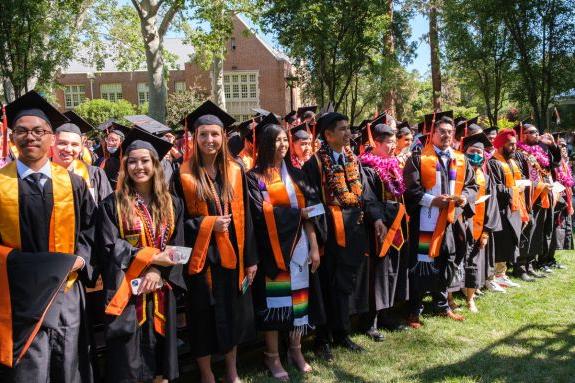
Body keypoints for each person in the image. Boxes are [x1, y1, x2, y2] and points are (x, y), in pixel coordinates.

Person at [0, 90, 96, 383]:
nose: (31, 137)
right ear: (12, 137)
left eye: (39, 131)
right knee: (30, 366)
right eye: (22, 131)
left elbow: (91, 230)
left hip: (65, 291)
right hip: (18, 295)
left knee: (67, 360)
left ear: (51, 138)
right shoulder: (1, 185)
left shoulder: (74, 183)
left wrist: (82, 258)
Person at [172, 100, 258, 383]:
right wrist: (206, 224)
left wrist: (251, 259)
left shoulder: (235, 171)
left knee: (231, 315)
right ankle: (207, 374)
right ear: (194, 138)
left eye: (215, 134)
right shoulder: (181, 174)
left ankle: (232, 371)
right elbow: (176, 224)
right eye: (203, 134)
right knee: (202, 320)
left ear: (223, 137)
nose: (210, 140)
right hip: (200, 262)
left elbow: (248, 215)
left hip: (232, 258)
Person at [97, 128, 185, 383]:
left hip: (160, 289)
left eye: (145, 160)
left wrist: (158, 271)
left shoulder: (172, 203)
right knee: (128, 360)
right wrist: (150, 258)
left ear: (155, 164)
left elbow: (178, 246)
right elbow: (109, 246)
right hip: (126, 292)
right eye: (132, 161)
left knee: (161, 354)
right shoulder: (112, 204)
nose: (138, 167)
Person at [247, 120, 323, 380]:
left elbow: (310, 216)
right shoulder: (255, 178)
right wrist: (297, 214)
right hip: (273, 250)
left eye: (284, 139)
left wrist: (314, 246)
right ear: (265, 144)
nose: (281, 144)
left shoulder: (298, 175)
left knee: (300, 302)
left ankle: (295, 349)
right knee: (274, 304)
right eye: (276, 140)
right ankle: (272, 356)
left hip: (301, 247)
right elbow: (260, 214)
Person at [302, 111, 377, 360]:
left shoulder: (352, 160)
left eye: (348, 128)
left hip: (352, 231)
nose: (348, 133)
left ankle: (342, 333)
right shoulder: (314, 164)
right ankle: (322, 339)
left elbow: (363, 194)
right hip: (329, 235)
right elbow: (311, 201)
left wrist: (375, 218)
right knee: (326, 285)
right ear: (328, 134)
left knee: (344, 285)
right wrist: (320, 236)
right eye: (342, 129)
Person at [403, 112, 477, 328]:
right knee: (421, 265)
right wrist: (432, 201)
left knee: (447, 260)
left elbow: (472, 187)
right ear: (432, 134)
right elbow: (410, 190)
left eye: (449, 132)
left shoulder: (461, 159)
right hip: (427, 220)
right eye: (442, 131)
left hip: (452, 220)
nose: (446, 135)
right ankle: (414, 311)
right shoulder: (418, 158)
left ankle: (442, 305)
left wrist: (464, 198)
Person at [359, 123, 409, 339]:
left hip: (396, 227)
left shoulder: (393, 165)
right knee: (377, 275)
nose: (392, 146)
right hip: (377, 230)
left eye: (393, 141)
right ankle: (370, 322)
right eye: (388, 142)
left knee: (392, 272)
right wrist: (380, 218)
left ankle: (387, 315)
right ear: (376, 143)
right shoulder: (367, 168)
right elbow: (368, 200)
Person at [513, 123, 560, 279]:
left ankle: (531, 264)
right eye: (532, 132)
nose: (537, 135)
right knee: (526, 232)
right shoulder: (519, 154)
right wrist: (540, 185)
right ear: (523, 134)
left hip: (541, 197)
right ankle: (520, 267)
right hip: (527, 198)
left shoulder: (539, 151)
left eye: (537, 132)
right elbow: (520, 178)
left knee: (537, 231)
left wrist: (552, 145)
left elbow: (554, 164)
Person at [461, 133, 501, 312]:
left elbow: (492, 205)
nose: (475, 155)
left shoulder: (485, 177)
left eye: (479, 151)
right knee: (454, 262)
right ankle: (449, 299)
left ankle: (470, 299)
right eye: (471, 151)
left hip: (477, 228)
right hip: (459, 225)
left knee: (473, 263)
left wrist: (486, 231)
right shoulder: (458, 171)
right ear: (464, 151)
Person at [487, 129, 528, 289]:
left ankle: (502, 274)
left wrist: (522, 185)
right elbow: (495, 188)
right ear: (500, 145)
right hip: (501, 210)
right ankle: (494, 276)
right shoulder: (493, 163)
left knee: (509, 242)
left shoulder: (512, 162)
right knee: (501, 243)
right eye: (510, 145)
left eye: (515, 144)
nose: (514, 148)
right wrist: (514, 190)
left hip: (514, 207)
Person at [52, 123, 113, 205]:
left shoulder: (95, 175)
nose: (68, 149)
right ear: (52, 143)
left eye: (75, 144)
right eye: (62, 143)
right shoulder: (40, 175)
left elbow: (108, 210)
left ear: (81, 147)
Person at [95, 121, 130, 190]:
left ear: (121, 142)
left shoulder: (127, 163)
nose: (110, 143)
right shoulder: (100, 160)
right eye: (108, 139)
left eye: (114, 140)